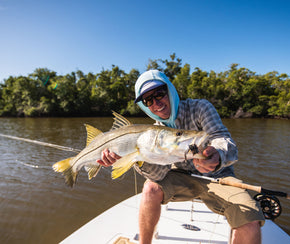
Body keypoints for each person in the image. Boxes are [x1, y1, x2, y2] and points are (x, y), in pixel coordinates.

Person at [97, 70, 265, 244]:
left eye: (159, 94)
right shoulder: (153, 133)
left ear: (170, 90)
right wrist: (137, 159)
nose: (156, 103)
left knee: (250, 220)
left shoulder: (200, 108)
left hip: (219, 176)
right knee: (149, 189)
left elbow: (223, 139)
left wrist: (217, 155)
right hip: (181, 176)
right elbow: (158, 175)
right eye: (148, 100)